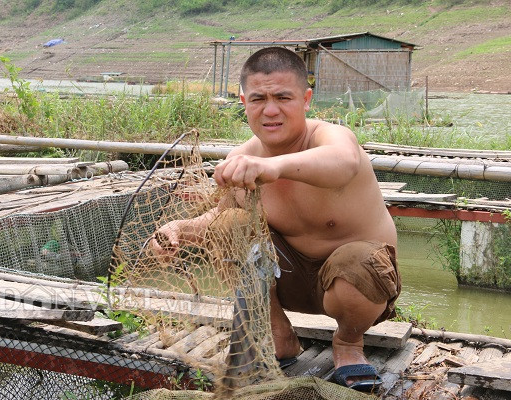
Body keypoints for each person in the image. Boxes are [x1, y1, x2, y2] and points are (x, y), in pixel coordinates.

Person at [151, 47, 400, 393]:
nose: (270, 110)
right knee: (229, 226)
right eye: (258, 99)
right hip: (289, 279)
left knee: (356, 263)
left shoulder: (331, 137)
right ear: (243, 101)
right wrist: (175, 231)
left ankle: (347, 344)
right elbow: (218, 215)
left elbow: (343, 161)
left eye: (283, 97)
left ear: (306, 99)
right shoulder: (242, 157)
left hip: (359, 286)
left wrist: (273, 166)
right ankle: (279, 335)